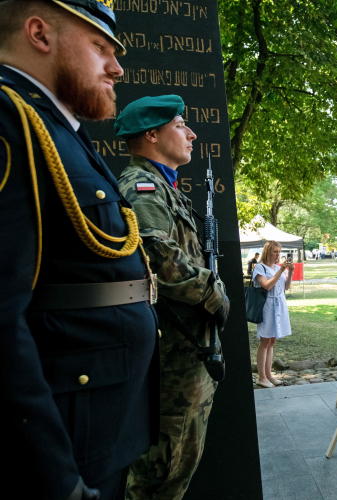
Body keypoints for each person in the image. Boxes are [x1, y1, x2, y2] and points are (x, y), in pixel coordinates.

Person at [0, 1, 159, 498]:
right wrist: (57, 479)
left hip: (98, 420)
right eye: (100, 47)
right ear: (39, 33)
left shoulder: (56, 127)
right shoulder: (10, 122)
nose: (116, 66)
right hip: (64, 439)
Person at [115, 95, 229, 499]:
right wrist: (214, 291)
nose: (193, 134)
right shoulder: (143, 188)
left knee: (176, 471)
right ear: (151, 134)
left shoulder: (165, 187)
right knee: (160, 478)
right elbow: (156, 257)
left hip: (186, 353)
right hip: (171, 362)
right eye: (181, 125)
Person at [253, 240, 294, 388]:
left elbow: (286, 287)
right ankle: (261, 377)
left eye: (279, 251)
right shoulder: (260, 267)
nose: (278, 254)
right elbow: (267, 285)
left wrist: (290, 273)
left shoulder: (277, 267)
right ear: (268, 251)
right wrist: (281, 271)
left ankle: (269, 374)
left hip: (279, 304)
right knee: (264, 342)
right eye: (275, 251)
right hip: (267, 305)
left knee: (272, 342)